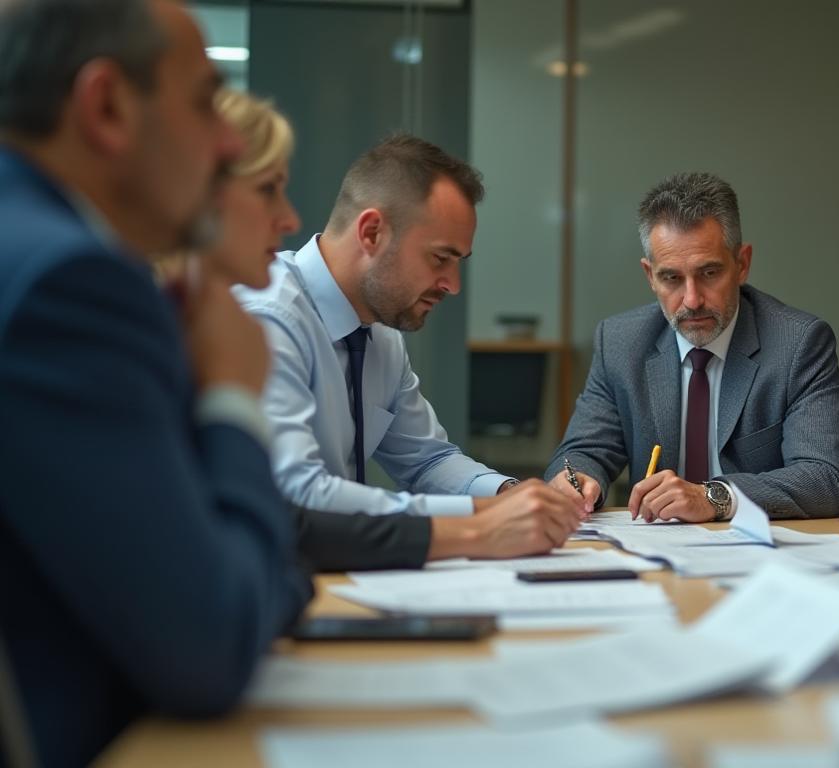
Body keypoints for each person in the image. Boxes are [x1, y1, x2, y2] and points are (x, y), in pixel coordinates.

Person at [0, 2, 307, 765]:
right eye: (205, 102)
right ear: (106, 106)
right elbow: (211, 644)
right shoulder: (71, 284)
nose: (227, 142)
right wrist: (232, 393)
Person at [208, 93, 578, 566]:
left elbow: (427, 460)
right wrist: (480, 520)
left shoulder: (380, 332)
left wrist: (511, 494)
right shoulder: (270, 318)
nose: (453, 285)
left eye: (459, 263)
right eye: (440, 258)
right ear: (371, 233)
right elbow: (300, 494)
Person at [545, 172, 839, 522]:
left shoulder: (798, 344)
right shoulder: (620, 342)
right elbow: (584, 450)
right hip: (655, 546)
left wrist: (713, 497)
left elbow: (824, 479)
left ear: (742, 264)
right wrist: (576, 479)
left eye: (709, 273)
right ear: (650, 276)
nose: (692, 300)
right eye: (671, 278)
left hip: (754, 545)